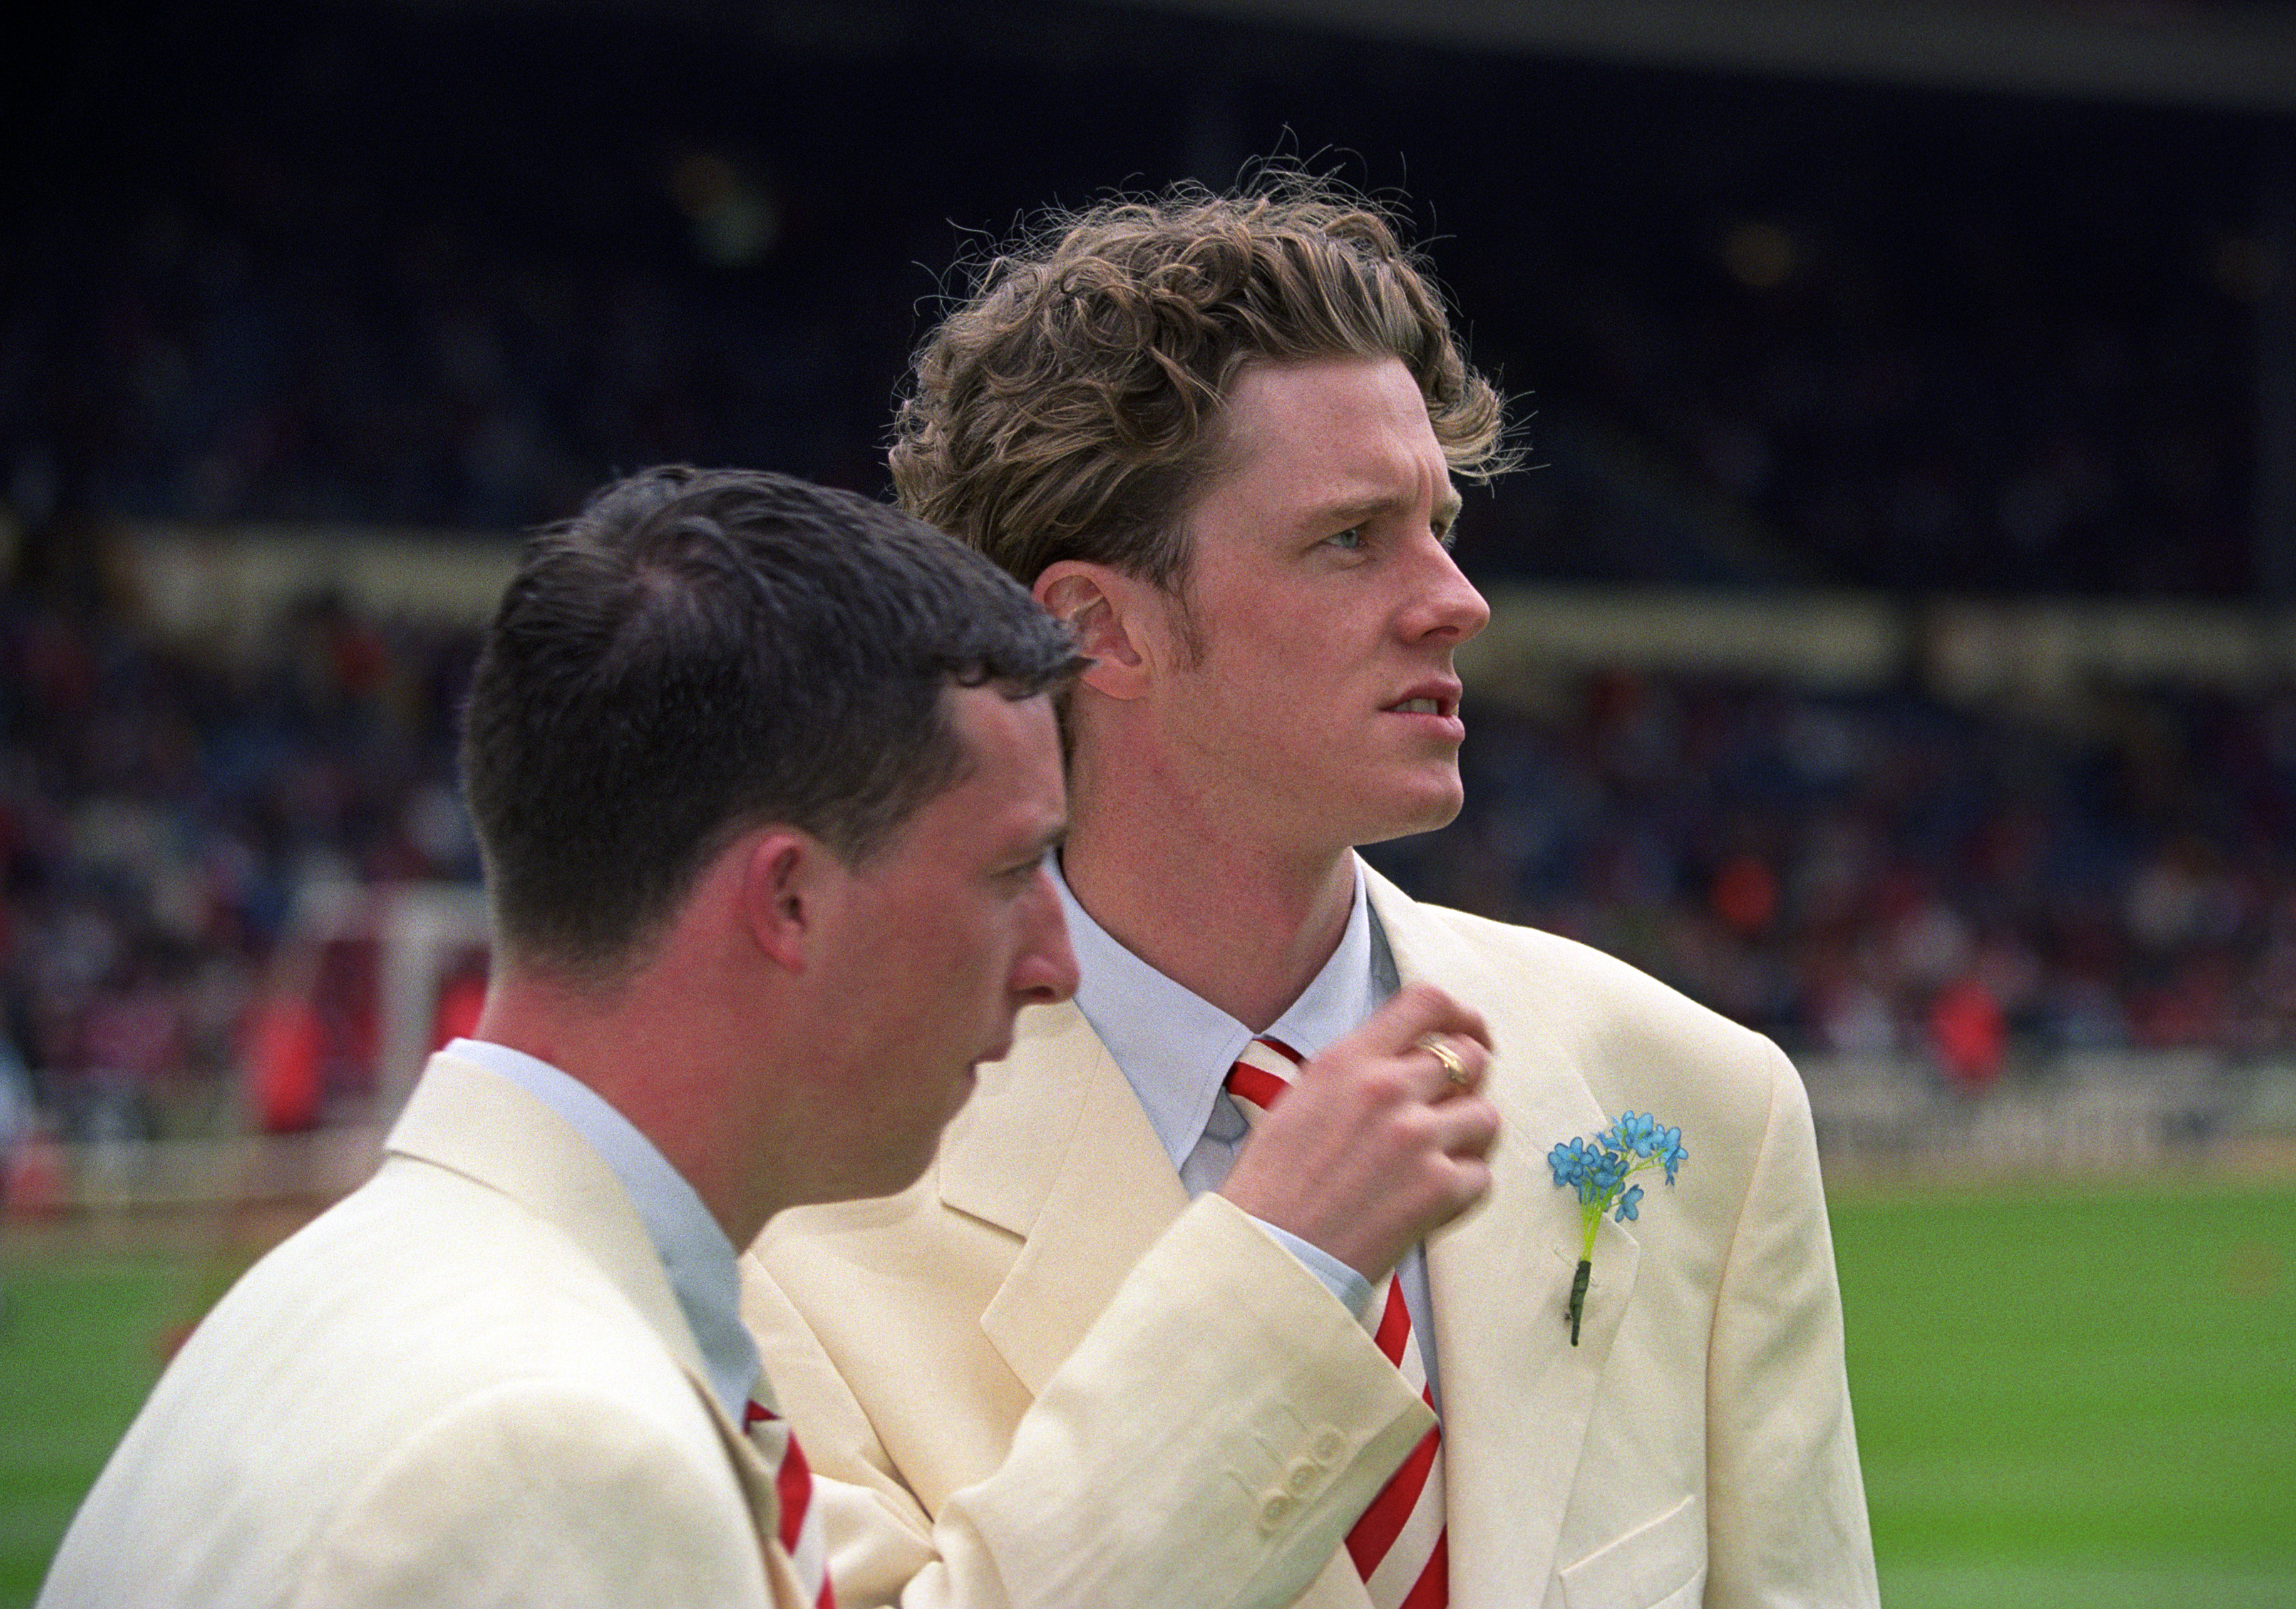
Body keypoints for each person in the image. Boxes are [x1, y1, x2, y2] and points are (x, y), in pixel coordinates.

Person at [41, 466, 1473, 1609]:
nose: (1050, 961)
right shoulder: (547, 1445)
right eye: (1001, 875)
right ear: (788, 897)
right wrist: (1274, 1277)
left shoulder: (366, 1295)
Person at [743, 180, 1880, 1608]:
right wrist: (1276, 1269)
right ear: (1098, 628)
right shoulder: (785, 1217)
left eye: (1439, 520)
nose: (1454, 597)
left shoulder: (1698, 1101)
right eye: (1351, 537)